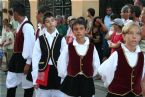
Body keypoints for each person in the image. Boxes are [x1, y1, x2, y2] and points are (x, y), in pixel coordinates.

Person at [98, 21, 145, 97]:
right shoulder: (117, 54)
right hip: (117, 94)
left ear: (140, 37)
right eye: (130, 33)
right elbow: (104, 72)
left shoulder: (142, 56)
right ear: (123, 36)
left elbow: (142, 79)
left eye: (138, 33)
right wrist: (113, 86)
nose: (134, 36)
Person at [57, 18, 100, 97]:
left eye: (81, 28)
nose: (78, 31)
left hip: (87, 80)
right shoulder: (69, 47)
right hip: (72, 80)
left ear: (86, 30)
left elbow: (96, 63)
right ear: (72, 31)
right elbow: (62, 62)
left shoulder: (91, 47)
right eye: (75, 29)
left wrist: (91, 74)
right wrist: (65, 75)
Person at [31, 12, 67, 97]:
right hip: (43, 71)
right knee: (42, 93)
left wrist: (65, 77)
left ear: (56, 22)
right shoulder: (40, 40)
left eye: (52, 20)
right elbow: (35, 59)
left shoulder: (61, 39)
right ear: (44, 24)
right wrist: (35, 79)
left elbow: (65, 58)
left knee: (59, 94)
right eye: (47, 21)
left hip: (58, 71)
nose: (50, 23)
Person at [6, 2, 35, 97]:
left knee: (27, 84)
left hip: (23, 59)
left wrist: (28, 63)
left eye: (13, 12)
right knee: (11, 81)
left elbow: (30, 46)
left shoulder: (27, 27)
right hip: (17, 58)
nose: (12, 15)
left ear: (16, 13)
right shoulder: (20, 25)